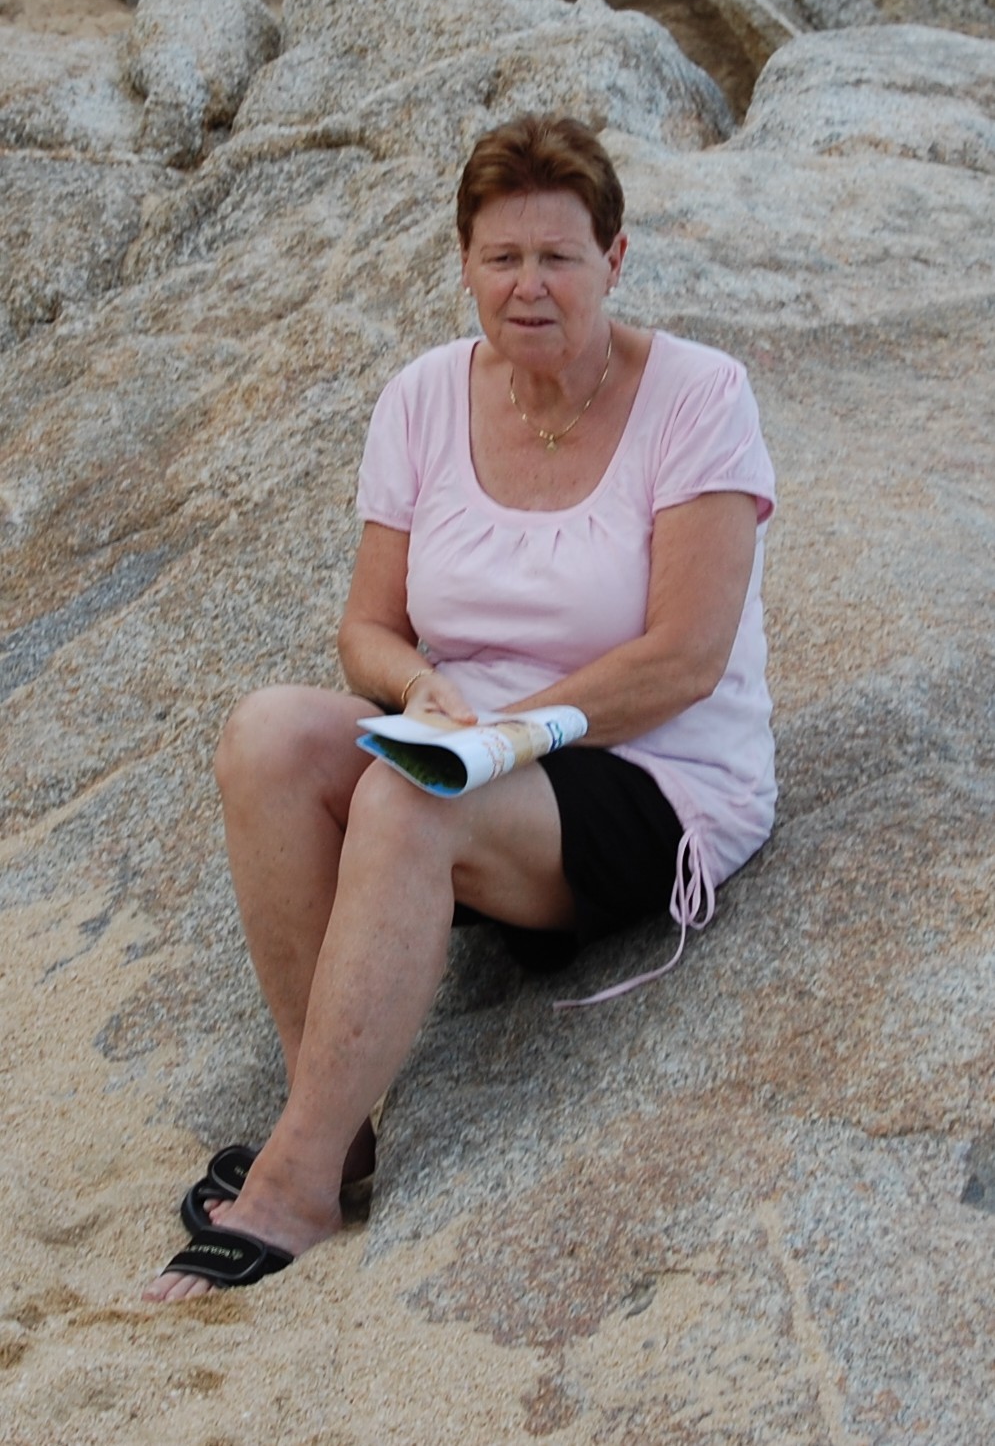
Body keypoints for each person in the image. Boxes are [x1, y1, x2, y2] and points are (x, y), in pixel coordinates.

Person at [143, 113, 776, 1301]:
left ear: (614, 259)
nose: (527, 286)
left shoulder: (700, 396)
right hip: (472, 754)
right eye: (501, 258)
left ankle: (295, 1184)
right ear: (465, 264)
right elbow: (365, 630)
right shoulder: (424, 396)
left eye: (557, 257)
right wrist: (415, 687)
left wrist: (502, 731)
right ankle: (334, 1121)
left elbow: (683, 661)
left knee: (407, 801)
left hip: (647, 771)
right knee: (266, 737)